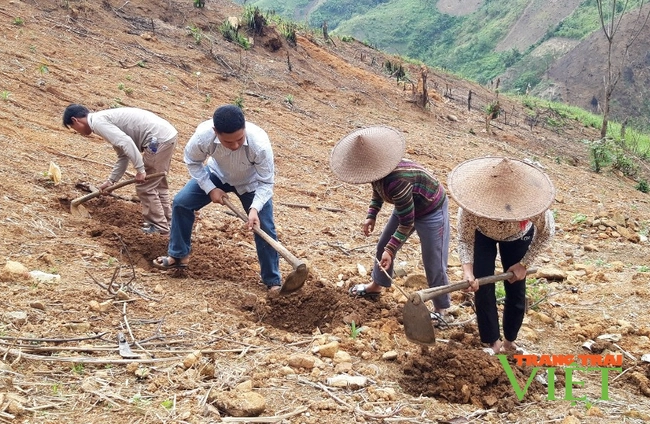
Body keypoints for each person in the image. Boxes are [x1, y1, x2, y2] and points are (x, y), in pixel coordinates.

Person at [152, 105, 282, 294]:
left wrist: (254, 209)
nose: (236, 145)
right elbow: (192, 161)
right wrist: (210, 188)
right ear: (215, 132)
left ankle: (272, 281)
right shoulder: (204, 136)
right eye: (229, 142)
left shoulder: (259, 143)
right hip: (217, 175)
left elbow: (266, 182)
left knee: (265, 228)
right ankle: (178, 256)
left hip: (252, 184)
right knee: (181, 203)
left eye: (240, 139)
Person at [330, 126, 451, 318]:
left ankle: (441, 308)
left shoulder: (397, 181)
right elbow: (377, 190)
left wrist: (392, 249)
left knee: (433, 260)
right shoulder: (377, 172)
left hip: (430, 209)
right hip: (407, 206)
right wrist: (372, 214)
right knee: (382, 244)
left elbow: (407, 222)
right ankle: (377, 285)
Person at [447, 156, 555, 354]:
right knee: (482, 286)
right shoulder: (472, 204)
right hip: (483, 236)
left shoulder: (532, 204)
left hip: (518, 237)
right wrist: (468, 271)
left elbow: (547, 233)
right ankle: (493, 343)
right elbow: (465, 238)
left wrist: (524, 264)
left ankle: (509, 341)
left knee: (516, 287)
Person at [62, 104, 178, 234]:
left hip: (157, 139)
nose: (77, 131)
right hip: (165, 135)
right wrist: (111, 181)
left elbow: (126, 142)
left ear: (75, 120)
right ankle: (169, 224)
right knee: (157, 184)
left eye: (73, 128)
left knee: (145, 187)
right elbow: (123, 155)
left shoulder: (99, 123)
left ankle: (159, 227)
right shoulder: (101, 120)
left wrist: (140, 170)